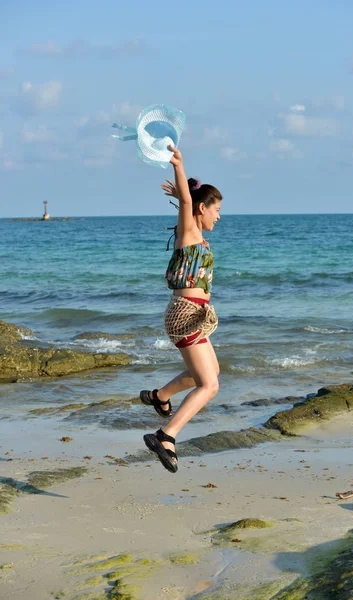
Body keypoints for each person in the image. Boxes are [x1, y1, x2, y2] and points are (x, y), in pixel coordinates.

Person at [141, 145, 222, 473]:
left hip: (190, 315)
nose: (218, 216)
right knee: (210, 386)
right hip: (185, 314)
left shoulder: (197, 237)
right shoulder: (188, 234)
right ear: (202, 209)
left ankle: (159, 396)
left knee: (211, 374)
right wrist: (179, 163)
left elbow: (188, 200)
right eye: (216, 209)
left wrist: (182, 192)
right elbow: (188, 204)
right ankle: (166, 435)